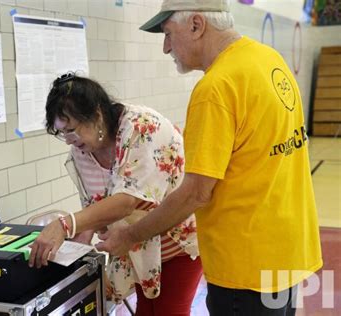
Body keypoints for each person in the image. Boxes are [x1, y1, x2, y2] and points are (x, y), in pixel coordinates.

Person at [95, 0, 323, 315]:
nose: (165, 48)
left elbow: (197, 192)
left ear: (196, 25)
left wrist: (130, 235)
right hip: (287, 251)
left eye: (167, 34)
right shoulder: (269, 60)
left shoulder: (215, 89)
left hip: (245, 268)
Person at [28, 73, 202, 315]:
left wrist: (65, 225)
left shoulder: (141, 128)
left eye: (71, 130)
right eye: (61, 133)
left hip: (176, 239)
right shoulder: (82, 151)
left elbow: (126, 201)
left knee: (169, 310)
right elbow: (95, 208)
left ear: (96, 116)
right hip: (137, 245)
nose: (68, 140)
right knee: (146, 310)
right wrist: (78, 246)